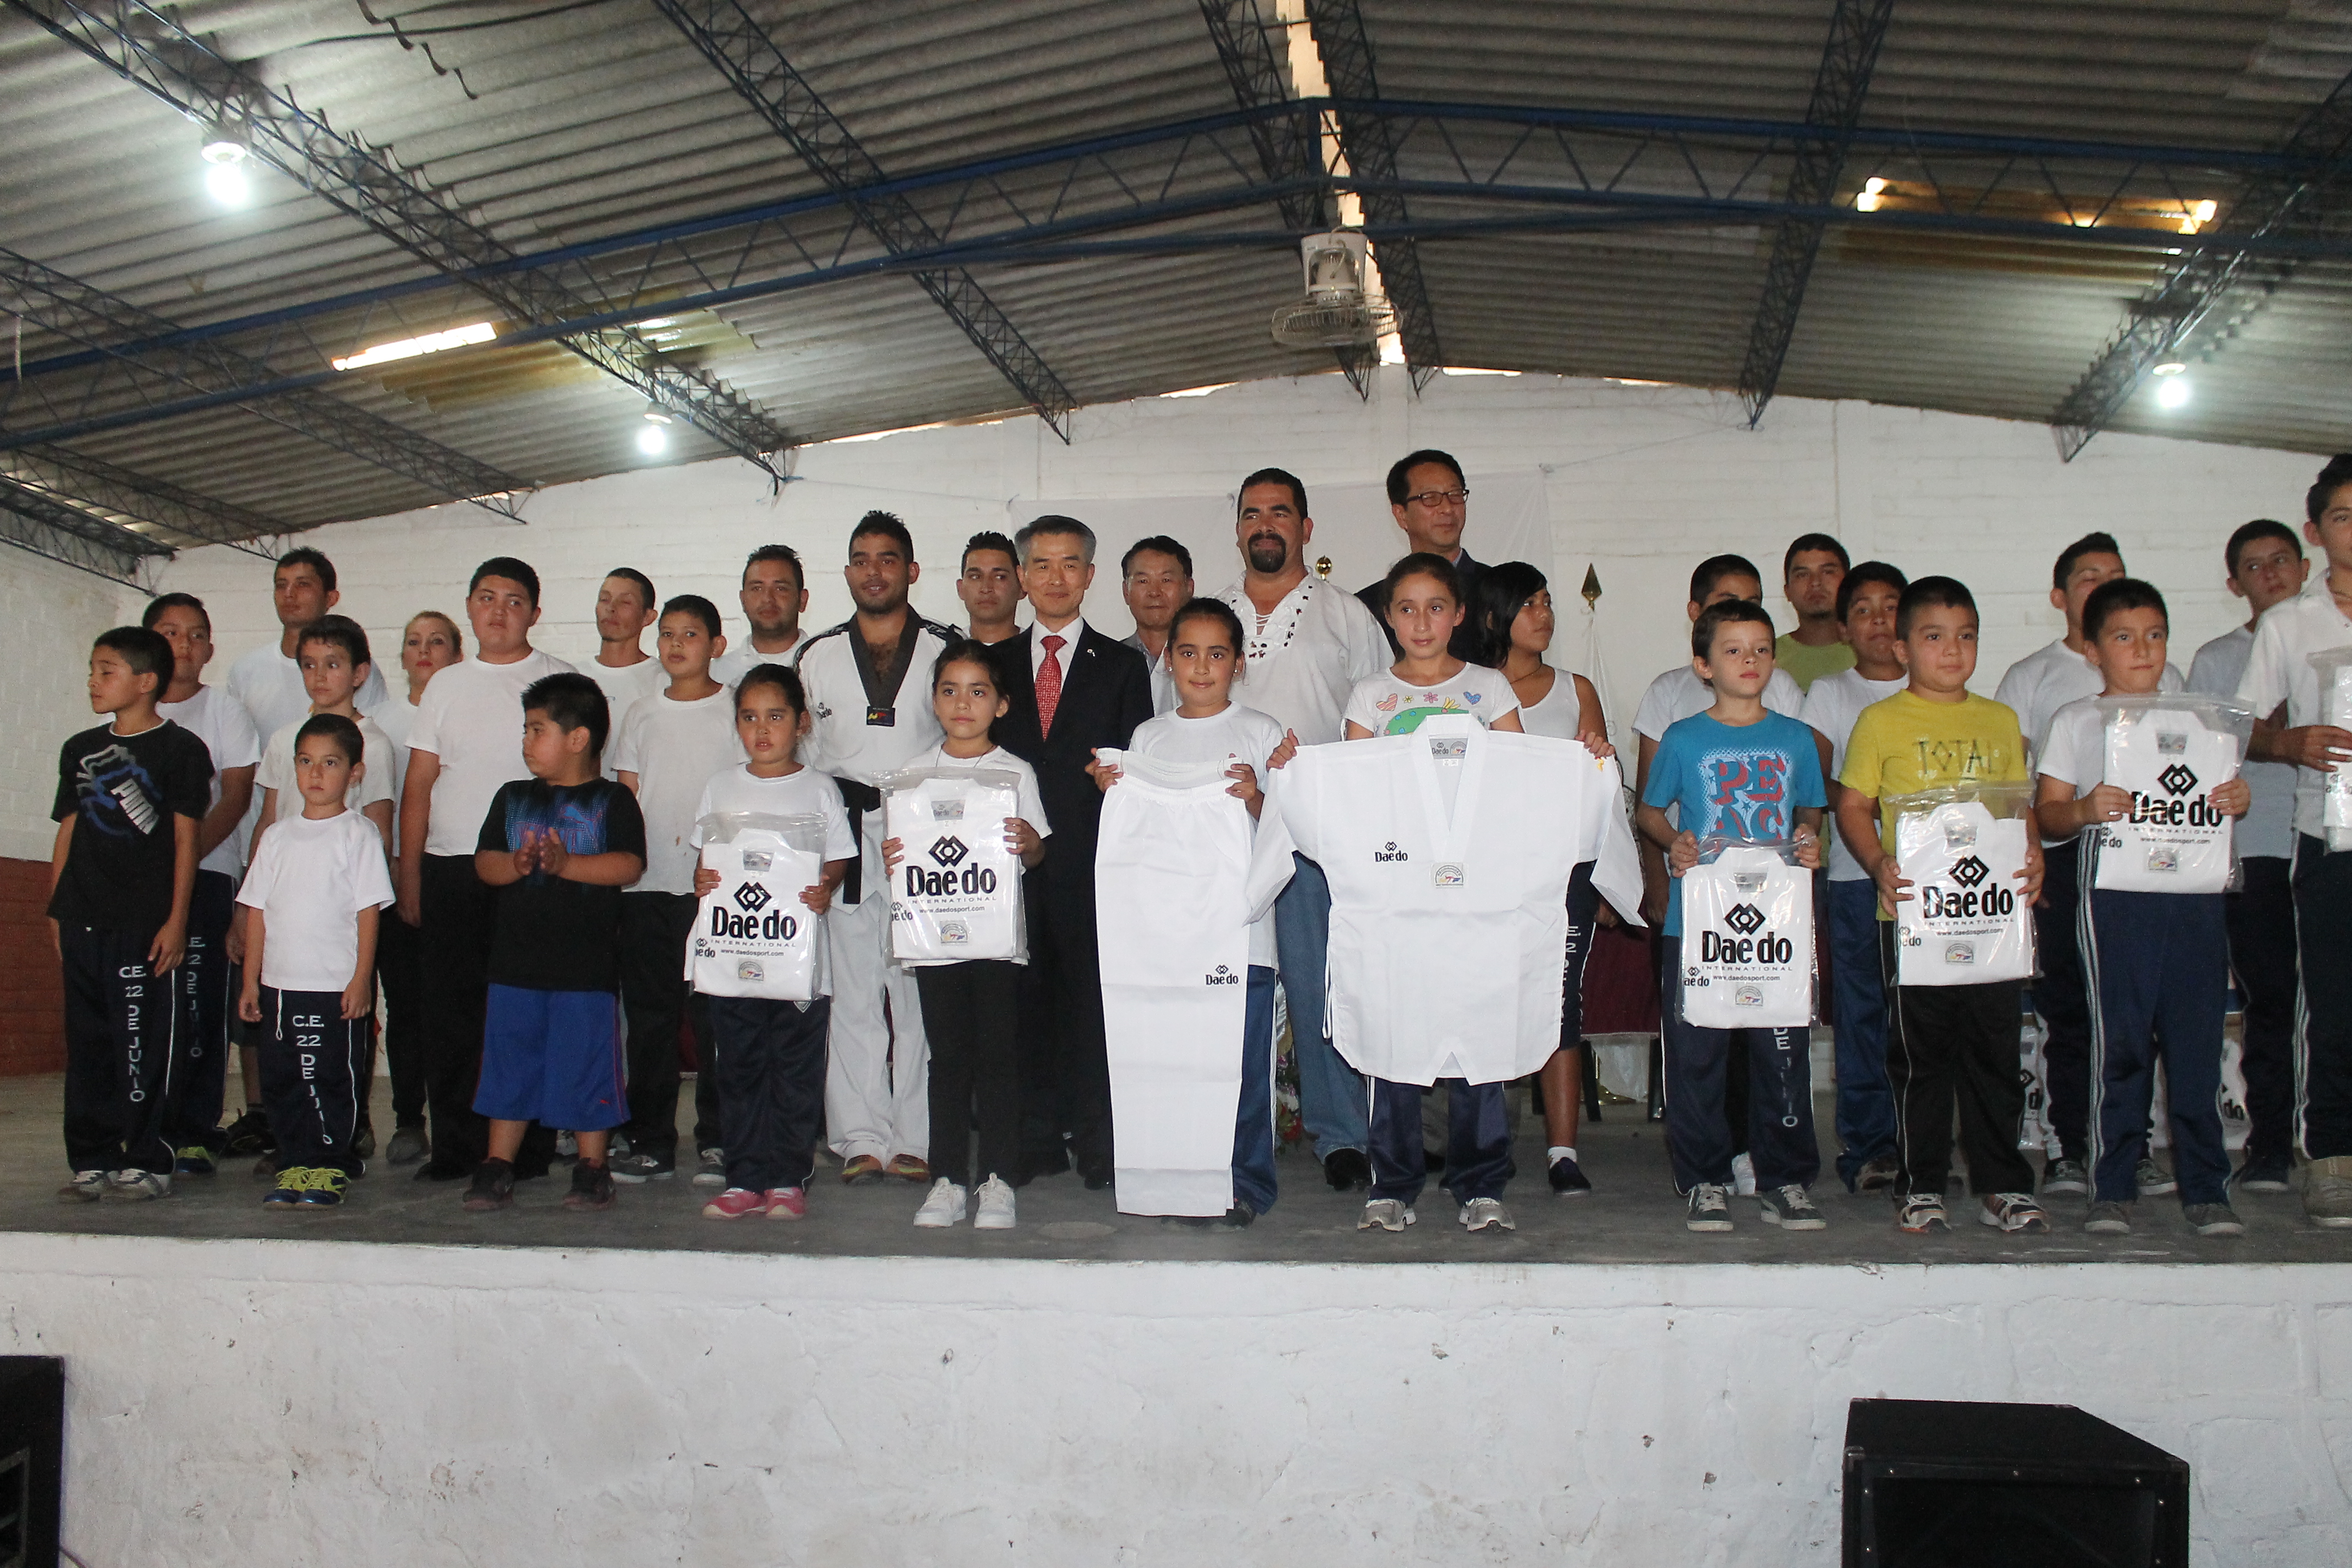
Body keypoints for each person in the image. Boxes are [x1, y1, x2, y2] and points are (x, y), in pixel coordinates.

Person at [2033, 579, 2250, 1238]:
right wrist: (2084, 809)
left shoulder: (2203, 721)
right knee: (2120, 1043)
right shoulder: (2077, 720)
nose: (2143, 650)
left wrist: (2236, 798)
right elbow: (2047, 814)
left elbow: (2219, 801)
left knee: (2196, 1043)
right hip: (2115, 900)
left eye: (2155, 635)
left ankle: (2207, 1189)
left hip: (2195, 901)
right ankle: (2113, 1185)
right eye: (2124, 637)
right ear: (2093, 650)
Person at [1837, 576, 2050, 1236]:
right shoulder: (1881, 721)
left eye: (1966, 636)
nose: (1953, 650)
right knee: (1920, 1058)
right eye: (1934, 637)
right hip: (1914, 920)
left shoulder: (2000, 719)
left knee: (1994, 1054)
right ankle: (1921, 1182)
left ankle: (2002, 1184)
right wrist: (1877, 863)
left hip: (1990, 920)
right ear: (1903, 648)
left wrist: (2034, 854)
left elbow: (2018, 805)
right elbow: (1853, 806)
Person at [1996, 531, 2185, 1199]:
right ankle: (2069, 1147)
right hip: (2067, 859)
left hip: (2154, 863)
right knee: (2069, 1010)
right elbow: (2014, 784)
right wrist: (2029, 857)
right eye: (2088, 576)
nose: (2104, 584)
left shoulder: (2170, 680)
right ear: (2060, 596)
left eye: (2116, 573)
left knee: (2139, 1013)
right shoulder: (2034, 676)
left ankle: (2132, 1146)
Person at [1095, 597, 1294, 1226]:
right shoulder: (1149, 738)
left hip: (1241, 935)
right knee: (1165, 1063)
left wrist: (1257, 796)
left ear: (1239, 663)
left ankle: (1244, 1185)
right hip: (1163, 938)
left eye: (1216, 654)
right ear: (1169, 661)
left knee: (1240, 1068)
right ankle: (1169, 1180)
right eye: (1188, 653)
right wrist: (1113, 791)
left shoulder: (1262, 731)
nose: (1202, 667)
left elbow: (1293, 830)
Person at [1219, 467, 1389, 1190]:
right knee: (1226, 983)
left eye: (1280, 512)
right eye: (1252, 513)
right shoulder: (1213, 616)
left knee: (1320, 984)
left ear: (1307, 527)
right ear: (1237, 529)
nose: (1265, 525)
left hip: (1316, 832)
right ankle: (1223, 1131)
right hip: (1222, 830)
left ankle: (1341, 1133)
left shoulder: (1346, 615)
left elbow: (1383, 717)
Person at [1637, 600, 1828, 1233]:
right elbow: (1649, 810)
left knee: (1781, 1053)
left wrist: (1807, 839)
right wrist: (1676, 844)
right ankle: (1705, 1179)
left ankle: (1784, 1177)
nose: (1750, 660)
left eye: (1761, 649)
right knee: (1697, 1055)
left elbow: (1810, 811)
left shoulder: (1795, 738)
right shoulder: (1684, 738)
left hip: (1775, 926)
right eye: (1733, 650)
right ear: (1703, 665)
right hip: (1699, 926)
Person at [987, 514, 1155, 1186]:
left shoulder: (1121, 665)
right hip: (1009, 862)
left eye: (1069, 564)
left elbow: (1137, 766)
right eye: (1042, 564)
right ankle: (1031, 1140)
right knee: (1020, 1005)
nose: (1056, 578)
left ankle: (1100, 1143)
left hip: (1092, 863)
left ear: (1089, 576)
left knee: (1092, 1006)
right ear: (1022, 578)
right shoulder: (992, 664)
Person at [398, 558, 577, 1181]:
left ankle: (527, 1150)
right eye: (487, 598)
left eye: (514, 601)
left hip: (533, 871)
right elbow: (418, 787)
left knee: (526, 1012)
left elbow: (579, 785)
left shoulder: (559, 680)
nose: (499, 612)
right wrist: (411, 877)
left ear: (535, 612)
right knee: (451, 1014)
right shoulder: (444, 685)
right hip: (450, 868)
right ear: (471, 607)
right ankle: (456, 1147)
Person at [794, 512, 959, 1184]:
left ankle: (916, 1135)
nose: (874, 571)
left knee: (918, 991)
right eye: (861, 559)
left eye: (887, 559)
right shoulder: (818, 655)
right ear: (847, 572)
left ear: (911, 570)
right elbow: (806, 757)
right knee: (854, 990)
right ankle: (859, 1136)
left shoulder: (946, 647)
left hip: (923, 832)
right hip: (845, 828)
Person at [462, 673, 645, 1214]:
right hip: (514, 966)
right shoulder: (512, 798)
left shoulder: (613, 800)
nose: (526, 740)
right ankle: (499, 1163)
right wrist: (516, 864)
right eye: (526, 729)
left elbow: (629, 866)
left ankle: (592, 1166)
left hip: (584, 970)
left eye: (537, 729)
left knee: (585, 1065)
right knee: (509, 1063)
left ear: (578, 738)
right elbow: (485, 862)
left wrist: (568, 865)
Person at [888, 641, 1050, 1229]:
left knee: (1000, 1058)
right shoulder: (911, 777)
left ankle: (999, 1180)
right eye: (950, 690)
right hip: (936, 942)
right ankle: (948, 1179)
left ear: (1001, 704)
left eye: (978, 691)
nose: (963, 703)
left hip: (996, 942)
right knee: (949, 1059)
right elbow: (901, 855)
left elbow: (1036, 854)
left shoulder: (1014, 772)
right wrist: (894, 855)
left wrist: (1028, 842)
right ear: (933, 701)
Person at [50, 625, 210, 1202]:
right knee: (88, 1045)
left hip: (144, 925)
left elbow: (187, 840)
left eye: (107, 671)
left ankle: (148, 1157)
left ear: (146, 682)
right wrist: (56, 910)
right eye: (92, 671)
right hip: (82, 918)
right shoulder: (79, 748)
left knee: (143, 1043)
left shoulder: (181, 750)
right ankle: (91, 1157)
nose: (94, 682)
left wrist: (176, 920)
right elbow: (68, 830)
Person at [689, 664, 855, 1220]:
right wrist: (703, 879)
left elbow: (839, 858)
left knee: (794, 1069)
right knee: (738, 1067)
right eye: (749, 717)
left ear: (802, 723)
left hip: (797, 962)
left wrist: (825, 885)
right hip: (734, 957)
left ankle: (787, 1177)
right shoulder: (720, 786)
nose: (762, 730)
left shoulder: (819, 788)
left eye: (776, 716)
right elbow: (707, 860)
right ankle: (744, 1177)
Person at [2236, 454, 2352, 1227]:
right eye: (2344, 516)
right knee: (2335, 1002)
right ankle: (2334, 1156)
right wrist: (2288, 743)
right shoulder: (2288, 623)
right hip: (2332, 834)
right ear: (2317, 533)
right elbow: (2241, 725)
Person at [243, 616, 399, 1166]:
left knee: (333, 1064)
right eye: (308, 664)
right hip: (283, 962)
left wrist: (361, 973)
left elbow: (371, 888)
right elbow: (266, 833)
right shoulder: (284, 751)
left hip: (335, 959)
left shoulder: (369, 770)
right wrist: (250, 965)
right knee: (284, 1066)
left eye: (332, 664)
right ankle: (294, 1154)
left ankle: (336, 1152)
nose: (319, 675)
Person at [1477, 562, 1610, 1194]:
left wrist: (1606, 877)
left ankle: (1563, 1151)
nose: (1544, 614)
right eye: (1528, 604)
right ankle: (1485, 1144)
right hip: (1487, 873)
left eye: (1547, 602)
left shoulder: (1575, 688)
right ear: (1494, 617)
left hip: (1564, 872)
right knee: (1490, 999)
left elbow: (1601, 788)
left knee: (1561, 1002)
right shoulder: (1469, 688)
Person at [2188, 519, 2308, 1193]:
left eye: (2282, 560)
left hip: (2334, 843)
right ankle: (2270, 1144)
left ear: (2306, 566)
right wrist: (2272, 734)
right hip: (2255, 846)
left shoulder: (2335, 640)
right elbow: (2207, 752)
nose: (2272, 574)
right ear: (2235, 584)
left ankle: (2333, 1139)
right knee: (2271, 998)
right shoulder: (2217, 660)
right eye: (2255, 566)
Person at [609, 595, 741, 1185]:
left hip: (712, 890)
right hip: (646, 886)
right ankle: (651, 1140)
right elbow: (627, 796)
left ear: (716, 645)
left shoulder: (734, 710)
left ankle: (718, 1139)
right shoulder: (641, 713)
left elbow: (745, 793)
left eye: (691, 634)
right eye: (667, 634)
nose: (676, 644)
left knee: (714, 1019)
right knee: (650, 1020)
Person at [1797, 561, 1909, 1193]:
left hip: (1928, 882)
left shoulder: (1932, 690)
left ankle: (1920, 1139)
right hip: (1852, 875)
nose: (1878, 620)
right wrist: (1865, 806)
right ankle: (1869, 1147)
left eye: (1890, 606)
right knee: (1863, 1012)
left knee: (1921, 1015)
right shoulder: (1832, 692)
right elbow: (1815, 778)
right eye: (1862, 610)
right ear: (1844, 628)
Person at [143, 593, 259, 1175]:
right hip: (137, 886)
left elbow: (235, 798)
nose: (183, 645)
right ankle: (144, 1128)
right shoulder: (126, 712)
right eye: (170, 632)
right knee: (143, 1005)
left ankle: (194, 1130)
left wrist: (182, 861)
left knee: (198, 1002)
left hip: (208, 873)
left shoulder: (224, 711)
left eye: (195, 635)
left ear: (210, 649)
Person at [368, 611, 462, 1166]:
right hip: (392, 878)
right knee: (404, 1005)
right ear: (401, 655)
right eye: (413, 642)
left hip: (451, 873)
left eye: (437, 641)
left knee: (454, 1003)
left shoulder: (463, 707)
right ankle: (409, 1118)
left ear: (457, 654)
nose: (424, 650)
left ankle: (465, 1119)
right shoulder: (379, 723)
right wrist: (404, 877)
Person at [225, 547, 391, 751]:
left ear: (331, 598)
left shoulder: (358, 668)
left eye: (302, 584)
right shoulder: (245, 670)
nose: (289, 594)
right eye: (281, 585)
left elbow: (370, 739)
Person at [1344, 553, 1525, 738]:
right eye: (1407, 610)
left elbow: (1518, 755)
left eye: (1435, 608)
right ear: (1389, 616)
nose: (1422, 625)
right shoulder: (1369, 693)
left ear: (1458, 613)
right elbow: (1356, 757)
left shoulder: (1491, 685)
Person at [1358, 449, 1484, 661]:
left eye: (1455, 495)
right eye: (1430, 498)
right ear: (1401, 515)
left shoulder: (1498, 590)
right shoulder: (1369, 607)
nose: (1447, 509)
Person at [581, 567, 666, 730]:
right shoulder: (574, 675)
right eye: (605, 599)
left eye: (625, 602)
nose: (611, 608)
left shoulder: (662, 681)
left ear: (648, 617)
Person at [712, 546, 809, 687]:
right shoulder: (717, 674)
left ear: (802, 599)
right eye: (757, 588)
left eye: (780, 588)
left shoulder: (824, 666)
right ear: (743, 600)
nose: (767, 598)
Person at [1120, 535, 1193, 715]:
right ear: (1126, 592)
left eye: (1166, 580)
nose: (1154, 592)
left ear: (1189, 588)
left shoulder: (1208, 661)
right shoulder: (1109, 662)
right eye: (1143, 581)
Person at [1776, 533, 1855, 692]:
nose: (1815, 583)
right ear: (1787, 591)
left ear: (1849, 585)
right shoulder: (1767, 656)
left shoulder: (1871, 652)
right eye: (1802, 575)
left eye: (1828, 572)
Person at [956, 531, 1025, 645]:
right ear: (960, 588)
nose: (986, 588)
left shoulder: (1039, 651)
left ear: (1022, 587)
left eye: (1000, 577)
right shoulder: (942, 649)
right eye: (975, 577)